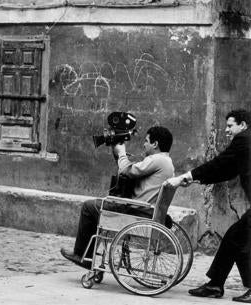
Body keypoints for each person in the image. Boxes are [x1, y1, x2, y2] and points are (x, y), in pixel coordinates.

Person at [167, 109, 251, 302]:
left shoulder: (244, 140)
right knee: (234, 237)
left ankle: (217, 285)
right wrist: (195, 179)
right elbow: (226, 170)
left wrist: (186, 176)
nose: (227, 130)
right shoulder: (246, 144)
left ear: (243, 125)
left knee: (238, 238)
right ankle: (215, 284)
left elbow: (218, 164)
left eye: (230, 126)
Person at [60, 126, 174, 267]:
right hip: (145, 211)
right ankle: (87, 255)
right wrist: (121, 156)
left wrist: (121, 153)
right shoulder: (166, 162)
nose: (144, 144)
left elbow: (127, 171)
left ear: (155, 144)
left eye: (146, 141)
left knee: (89, 207)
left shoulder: (157, 160)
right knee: (98, 206)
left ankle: (82, 255)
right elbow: (130, 171)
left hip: (135, 212)